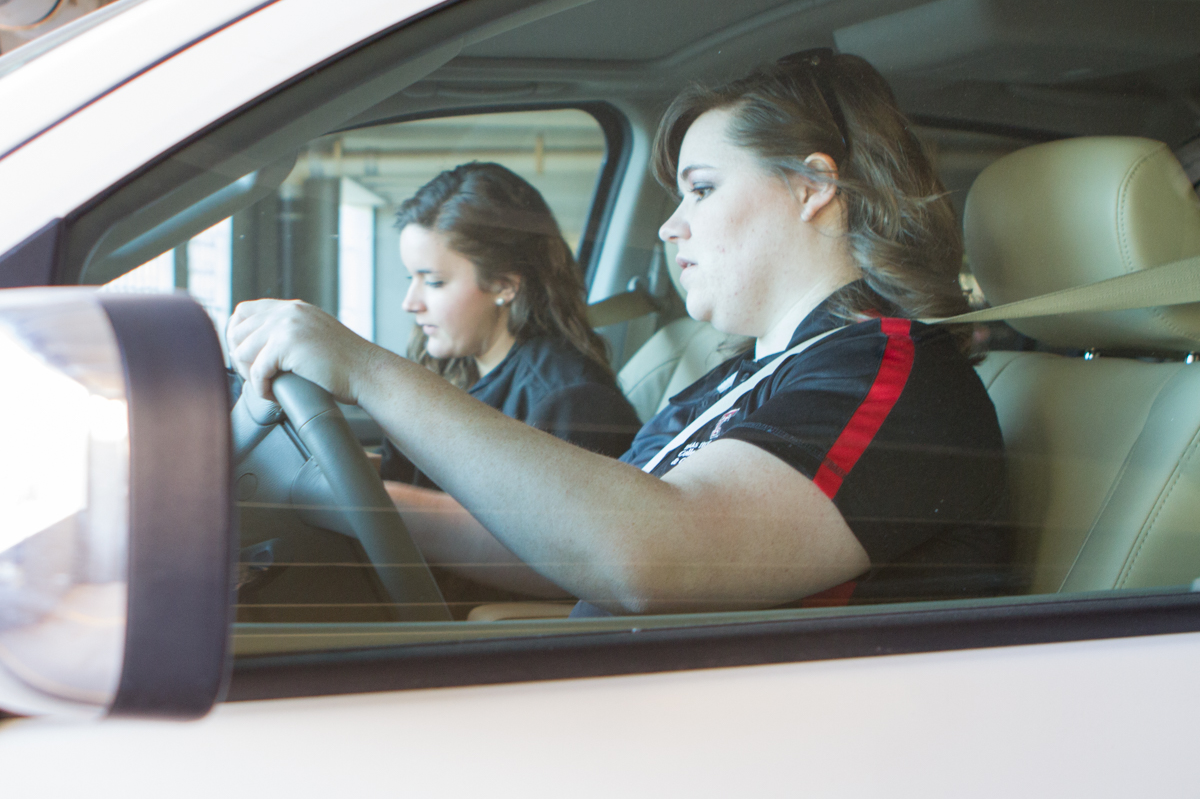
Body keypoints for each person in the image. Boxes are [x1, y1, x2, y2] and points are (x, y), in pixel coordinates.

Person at [229, 50, 1013, 615]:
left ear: (812, 187)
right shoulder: (749, 376)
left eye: (701, 189)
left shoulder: (894, 379)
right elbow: (574, 554)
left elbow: (649, 556)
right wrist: (355, 498)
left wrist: (369, 374)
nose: (670, 227)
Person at [380, 162, 640, 490]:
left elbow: (549, 536)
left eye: (434, 282)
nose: (410, 303)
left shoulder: (570, 401)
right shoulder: (446, 364)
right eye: (410, 277)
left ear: (504, 285)